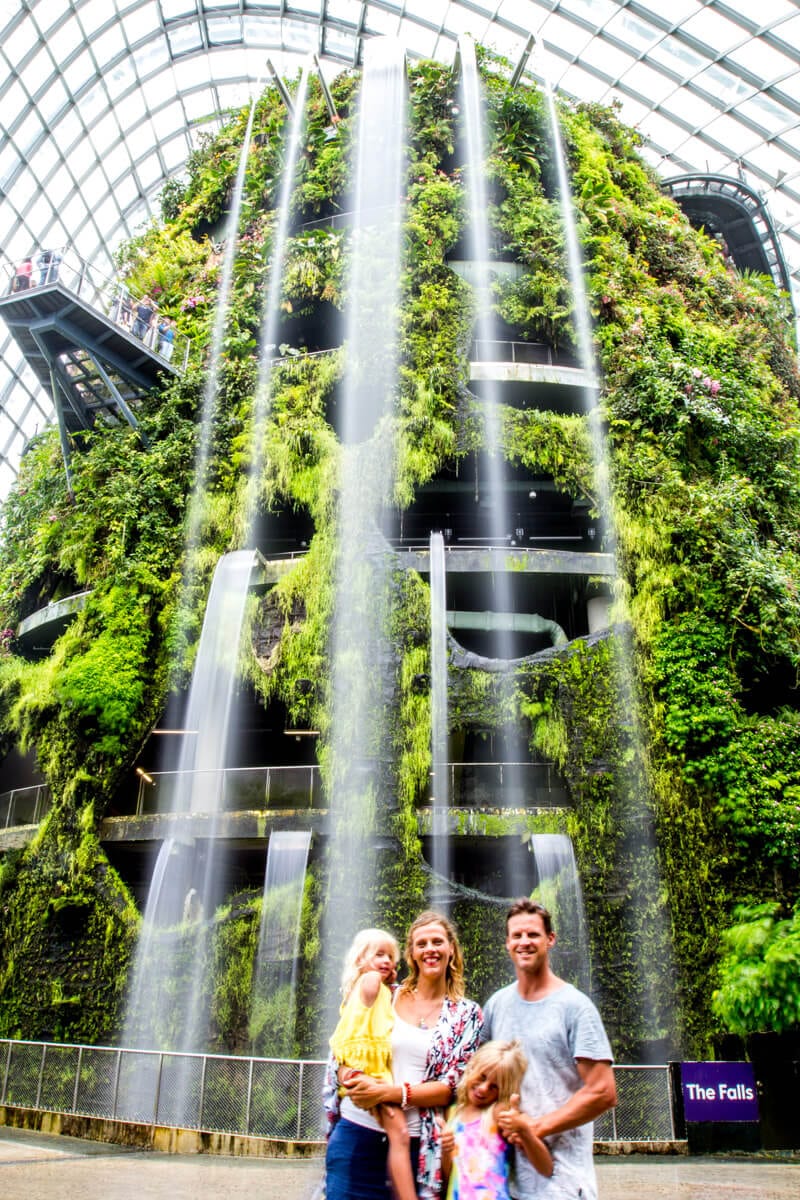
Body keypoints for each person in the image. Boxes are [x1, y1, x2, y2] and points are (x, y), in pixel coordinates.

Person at [324, 910, 483, 1200]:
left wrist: (387, 1093)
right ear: (411, 953)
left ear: (451, 949)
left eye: (437, 942)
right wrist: (350, 1076)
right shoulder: (385, 993)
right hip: (357, 1135)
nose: (430, 950)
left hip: (416, 1148)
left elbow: (452, 1086)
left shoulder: (467, 1014)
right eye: (421, 944)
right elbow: (344, 1045)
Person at [483, 899, 616, 1200]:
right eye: (516, 936)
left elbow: (603, 1091)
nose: (524, 942)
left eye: (532, 935)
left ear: (550, 939)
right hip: (510, 1179)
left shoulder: (575, 1007)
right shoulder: (496, 1006)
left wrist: (535, 1128)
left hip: (563, 1182)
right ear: (507, 943)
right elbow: (482, 1078)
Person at [329, 929, 417, 1200]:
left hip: (366, 1065)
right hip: (368, 1066)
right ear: (360, 960)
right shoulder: (368, 981)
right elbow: (369, 987)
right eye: (379, 955)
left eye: (391, 956)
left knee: (391, 1127)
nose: (387, 961)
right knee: (399, 1132)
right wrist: (378, 975)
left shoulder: (372, 988)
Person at [440, 1039, 552, 1200]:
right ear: (472, 1068)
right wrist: (445, 1150)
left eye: (494, 1086)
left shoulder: (497, 1113)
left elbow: (546, 1167)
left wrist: (524, 1130)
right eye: (482, 1077)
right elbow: (449, 1176)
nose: (483, 1088)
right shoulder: (452, 1114)